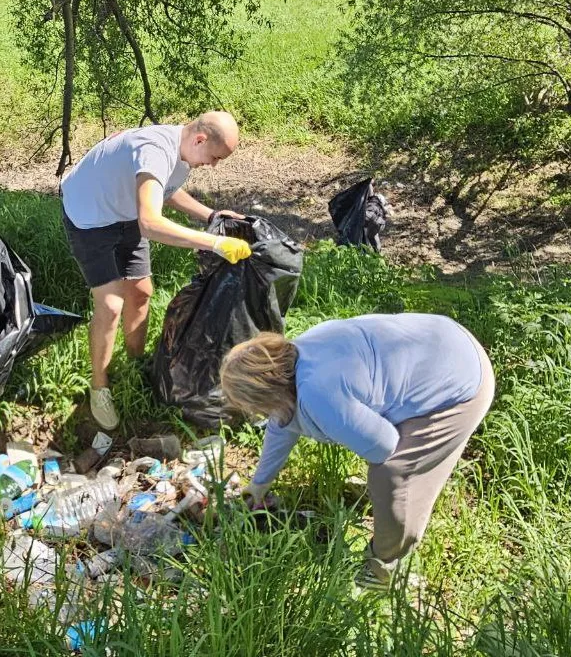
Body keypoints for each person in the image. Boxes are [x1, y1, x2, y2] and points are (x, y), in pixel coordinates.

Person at [219, 313, 495, 589]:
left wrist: (341, 426)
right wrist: (259, 484)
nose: (257, 414)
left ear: (264, 394)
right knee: (383, 457)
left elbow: (385, 446)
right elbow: (281, 424)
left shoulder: (320, 395)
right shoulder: (296, 357)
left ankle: (385, 570)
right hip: (444, 340)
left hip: (461, 383)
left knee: (392, 475)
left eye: (254, 407)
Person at [60, 111, 252, 430]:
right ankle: (100, 386)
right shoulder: (154, 149)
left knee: (141, 292)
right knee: (110, 305)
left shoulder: (182, 152)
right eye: (215, 157)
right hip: (89, 217)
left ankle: (135, 365)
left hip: (124, 215)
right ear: (200, 139)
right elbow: (150, 224)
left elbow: (165, 189)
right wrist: (214, 244)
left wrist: (211, 214)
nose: (214, 165)